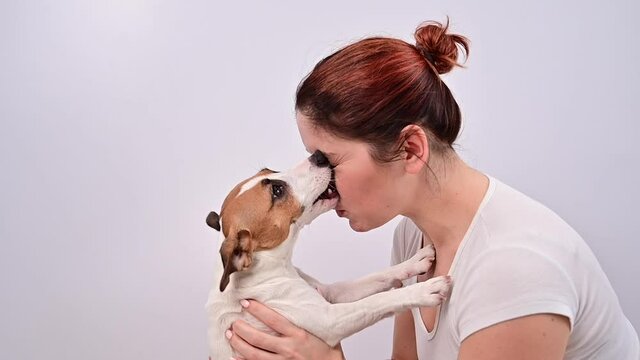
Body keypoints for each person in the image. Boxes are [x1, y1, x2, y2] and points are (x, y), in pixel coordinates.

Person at [224, 20, 640, 359]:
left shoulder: (513, 271)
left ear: (410, 148)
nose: (321, 188)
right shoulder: (413, 236)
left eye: (327, 162)